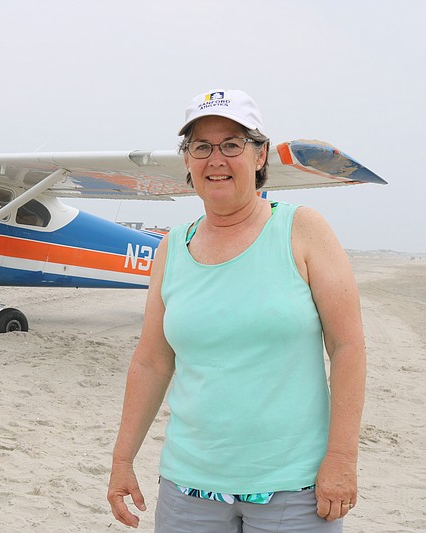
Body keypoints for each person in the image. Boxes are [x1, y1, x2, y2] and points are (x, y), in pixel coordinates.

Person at [107, 89, 366, 532]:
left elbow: (347, 347)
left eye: (232, 144)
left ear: (261, 154)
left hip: (295, 489)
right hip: (188, 490)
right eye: (201, 147)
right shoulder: (172, 247)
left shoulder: (302, 229)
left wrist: (341, 458)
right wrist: (122, 459)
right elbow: (152, 361)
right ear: (187, 160)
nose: (216, 159)